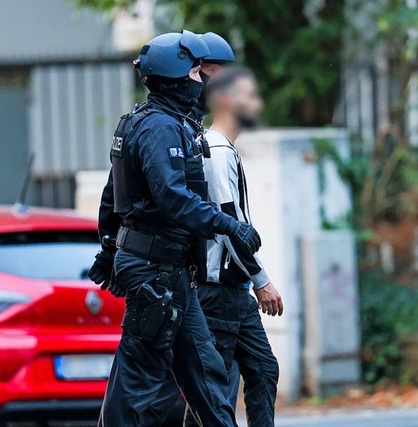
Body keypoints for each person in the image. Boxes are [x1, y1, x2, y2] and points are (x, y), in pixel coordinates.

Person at [93, 31, 263, 427]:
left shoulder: (166, 124)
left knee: (208, 375)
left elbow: (110, 199)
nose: (203, 82)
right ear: (175, 79)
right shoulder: (159, 130)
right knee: (136, 383)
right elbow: (172, 198)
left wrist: (109, 251)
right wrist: (229, 226)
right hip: (154, 272)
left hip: (172, 275)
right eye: (196, 74)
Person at [190, 67, 283, 426]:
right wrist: (261, 280)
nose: (256, 104)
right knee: (219, 391)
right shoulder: (215, 150)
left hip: (234, 292)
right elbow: (230, 225)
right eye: (249, 96)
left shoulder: (225, 148)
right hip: (218, 291)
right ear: (225, 101)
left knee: (262, 370)